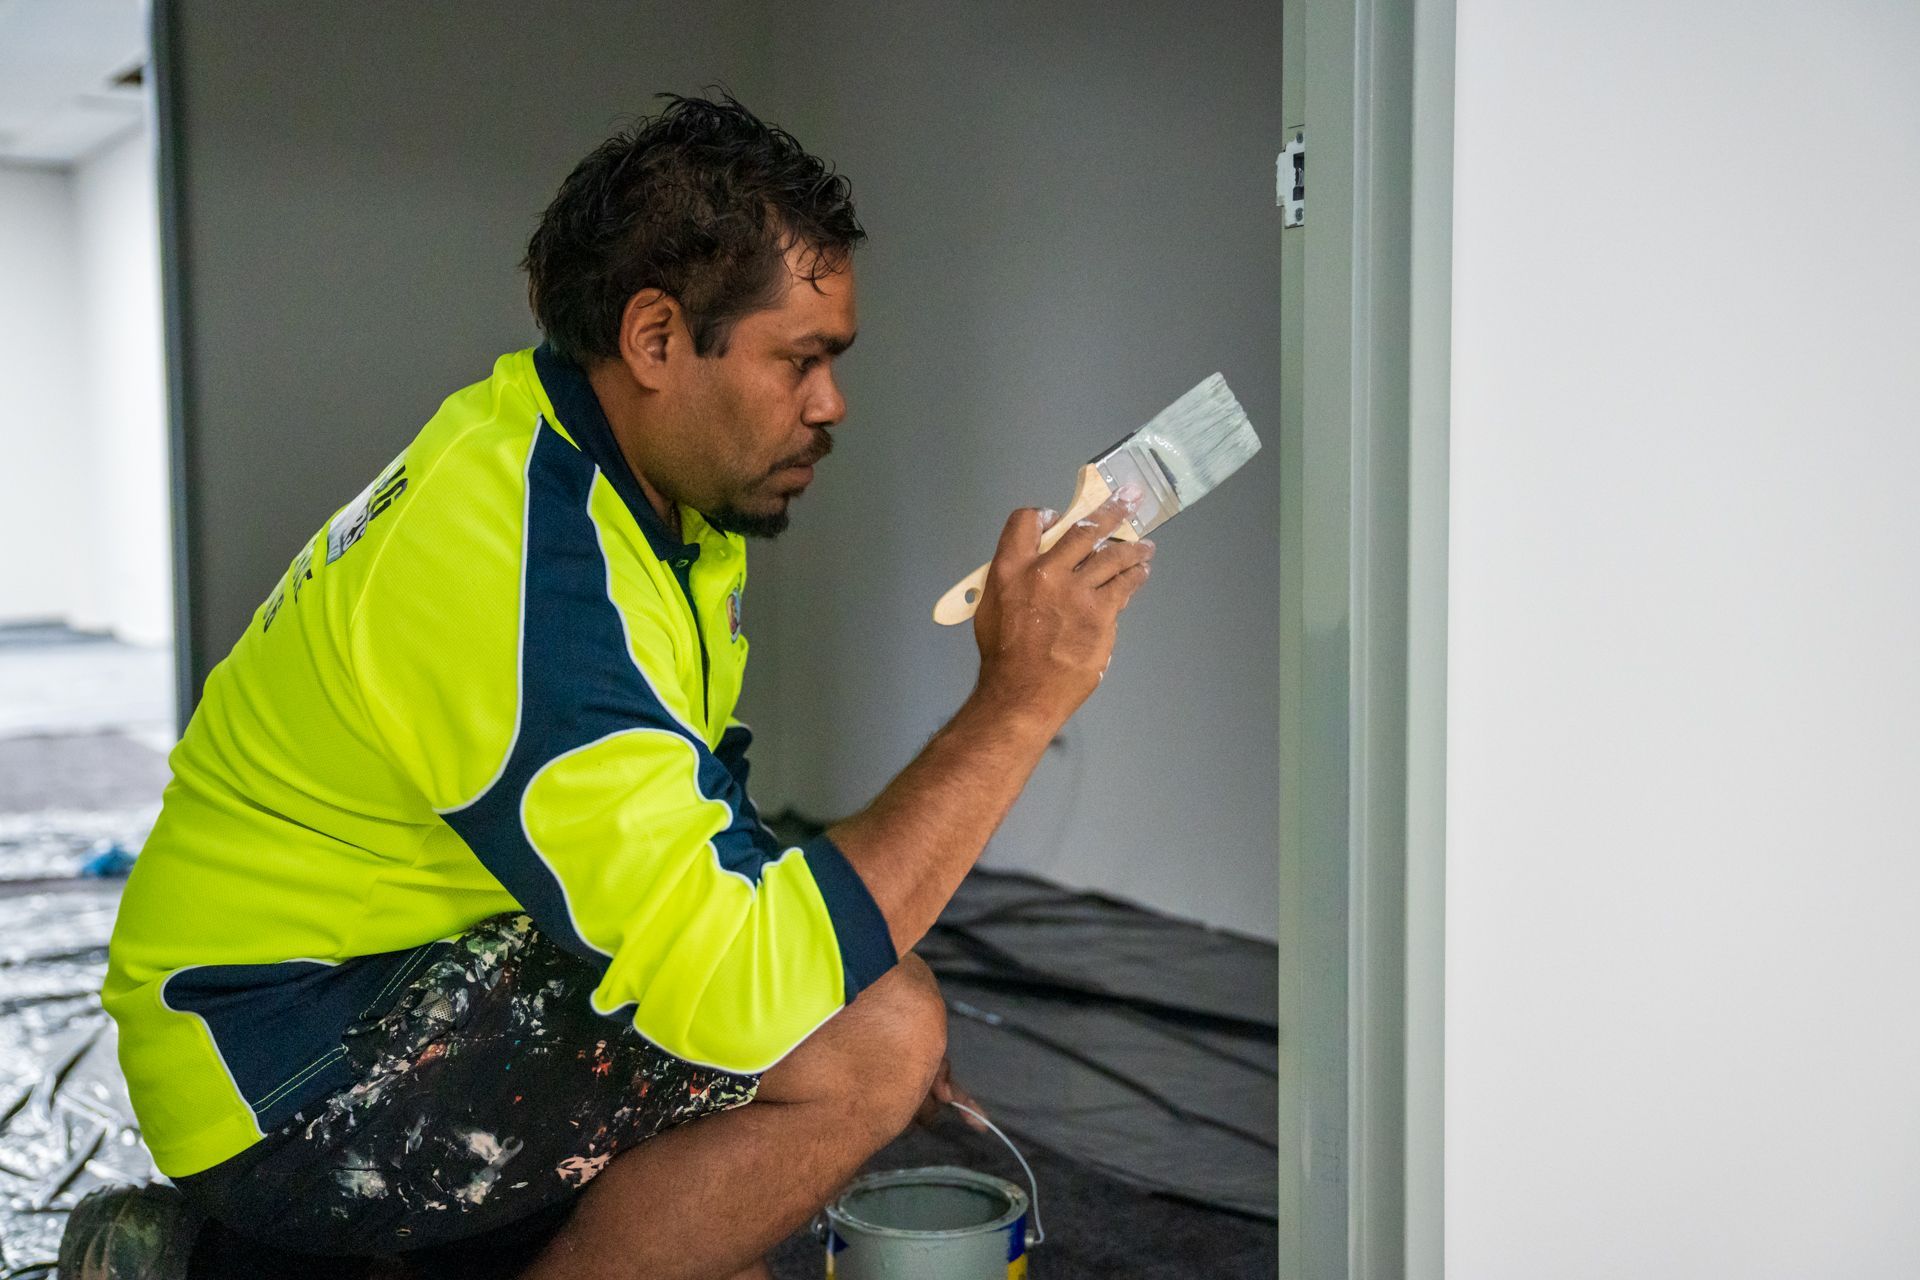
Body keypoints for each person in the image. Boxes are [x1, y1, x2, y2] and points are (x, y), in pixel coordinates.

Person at [61, 91, 1154, 1280]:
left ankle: (216, 1264)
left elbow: (694, 823)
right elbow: (738, 984)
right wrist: (1017, 702)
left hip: (381, 972)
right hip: (280, 1060)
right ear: (654, 338)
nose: (830, 402)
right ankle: (269, 1240)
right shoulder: (527, 567)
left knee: (751, 1165)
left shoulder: (633, 496)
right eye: (800, 359)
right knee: (873, 1031)